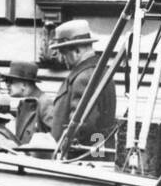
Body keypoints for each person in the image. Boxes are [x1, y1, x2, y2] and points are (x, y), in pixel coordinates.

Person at [48, 20, 116, 151]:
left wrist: (62, 150)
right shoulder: (99, 71)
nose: (62, 59)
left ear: (77, 51)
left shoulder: (83, 78)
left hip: (79, 157)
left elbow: (81, 125)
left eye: (63, 53)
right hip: (95, 153)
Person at [1, 61, 54, 143]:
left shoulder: (44, 103)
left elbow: (56, 137)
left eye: (10, 81)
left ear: (24, 84)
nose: (7, 85)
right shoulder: (23, 104)